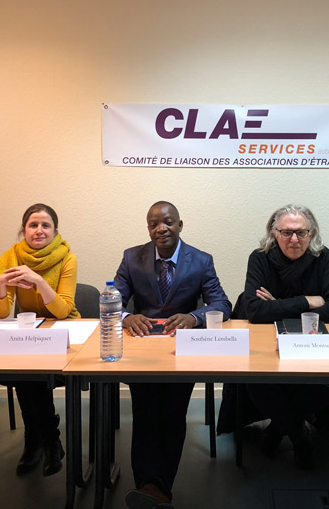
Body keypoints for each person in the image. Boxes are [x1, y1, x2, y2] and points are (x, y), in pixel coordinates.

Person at [115, 201, 231, 509]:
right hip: (143, 349)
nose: (160, 229)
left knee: (172, 411)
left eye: (167, 222)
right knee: (145, 411)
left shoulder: (201, 260)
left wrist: (194, 317)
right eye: (153, 224)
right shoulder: (132, 257)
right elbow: (114, 300)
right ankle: (152, 486)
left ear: (180, 225)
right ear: (148, 229)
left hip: (182, 350)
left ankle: (154, 486)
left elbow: (222, 304)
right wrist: (127, 317)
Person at [240, 204, 329, 470]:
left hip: (313, 347)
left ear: (312, 234)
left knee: (325, 384)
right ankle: (299, 436)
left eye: (301, 232)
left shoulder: (322, 257)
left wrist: (277, 305)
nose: (294, 240)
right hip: (268, 349)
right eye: (286, 233)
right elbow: (254, 311)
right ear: (274, 233)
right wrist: (306, 301)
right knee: (258, 384)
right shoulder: (260, 258)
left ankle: (279, 428)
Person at [0, 203, 78, 477]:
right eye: (33, 225)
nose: (39, 230)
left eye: (45, 225)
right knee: (25, 370)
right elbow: (1, 314)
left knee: (32, 372)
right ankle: (46, 440)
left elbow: (63, 310)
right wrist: (1, 285)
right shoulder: (10, 257)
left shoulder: (67, 258)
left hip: (66, 330)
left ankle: (39, 441)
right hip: (30, 331)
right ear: (24, 230)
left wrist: (38, 281)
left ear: (55, 231)